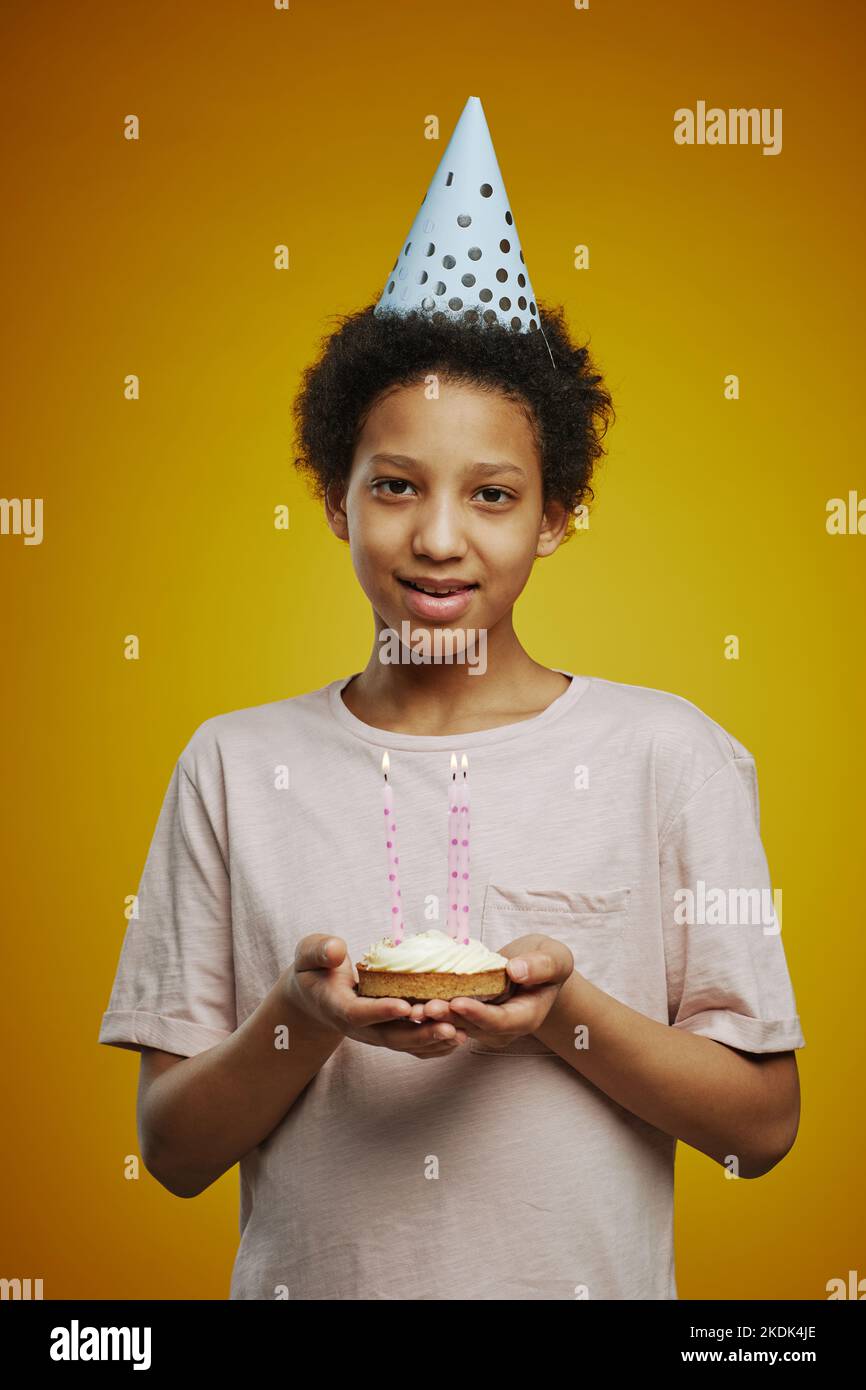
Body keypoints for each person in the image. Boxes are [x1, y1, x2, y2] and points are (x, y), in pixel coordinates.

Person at [98, 98, 805, 1301]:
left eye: (491, 495)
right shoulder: (231, 763)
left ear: (556, 515)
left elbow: (761, 1126)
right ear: (333, 497)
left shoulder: (666, 756)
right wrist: (303, 1017)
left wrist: (561, 1012)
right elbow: (170, 1152)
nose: (436, 538)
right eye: (394, 485)